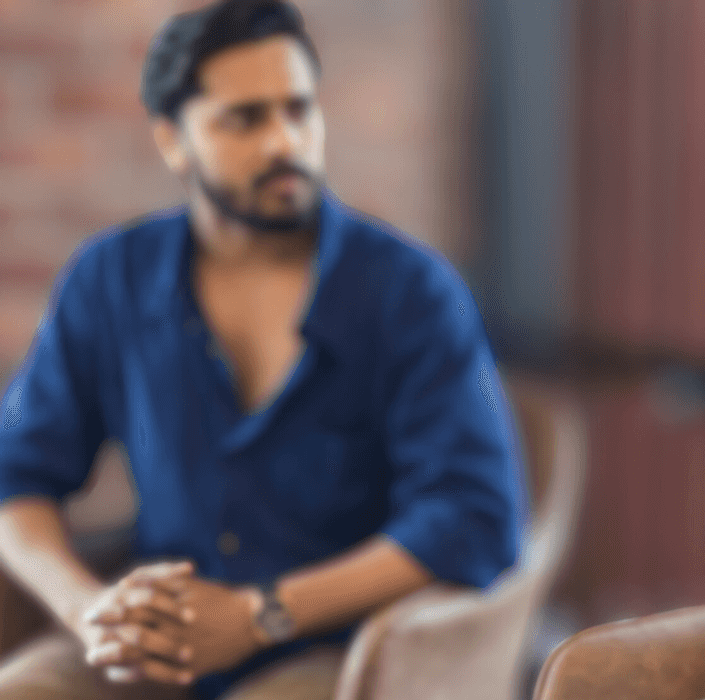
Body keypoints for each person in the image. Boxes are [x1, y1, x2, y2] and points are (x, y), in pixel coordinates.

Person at [0, 1, 524, 698]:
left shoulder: (408, 291)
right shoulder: (111, 279)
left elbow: (471, 513)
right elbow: (18, 476)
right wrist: (85, 610)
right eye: (245, 119)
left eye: (299, 110)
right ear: (173, 140)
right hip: (159, 640)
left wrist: (259, 616)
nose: (285, 141)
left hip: (341, 645)